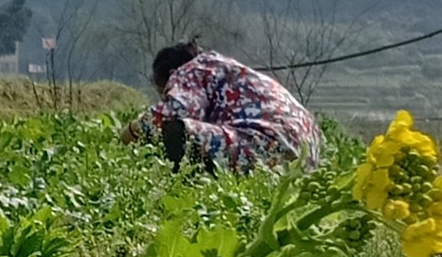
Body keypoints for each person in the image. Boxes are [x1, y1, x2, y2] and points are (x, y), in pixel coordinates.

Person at [124, 40, 324, 173]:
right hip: (306, 161)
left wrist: (132, 131)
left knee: (176, 130)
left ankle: (180, 187)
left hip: (264, 148)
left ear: (171, 73)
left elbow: (176, 112)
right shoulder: (225, 70)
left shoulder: (192, 70)